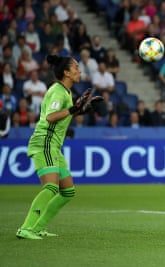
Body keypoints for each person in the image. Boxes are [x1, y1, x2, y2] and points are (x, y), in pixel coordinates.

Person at [16, 54, 103, 240]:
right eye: (76, 68)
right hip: (45, 142)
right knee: (51, 187)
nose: (79, 71)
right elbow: (50, 117)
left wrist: (81, 110)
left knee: (67, 191)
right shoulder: (57, 90)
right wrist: (74, 109)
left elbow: (64, 116)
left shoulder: (66, 92)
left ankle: (38, 227)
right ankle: (26, 228)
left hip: (54, 145)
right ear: (66, 72)